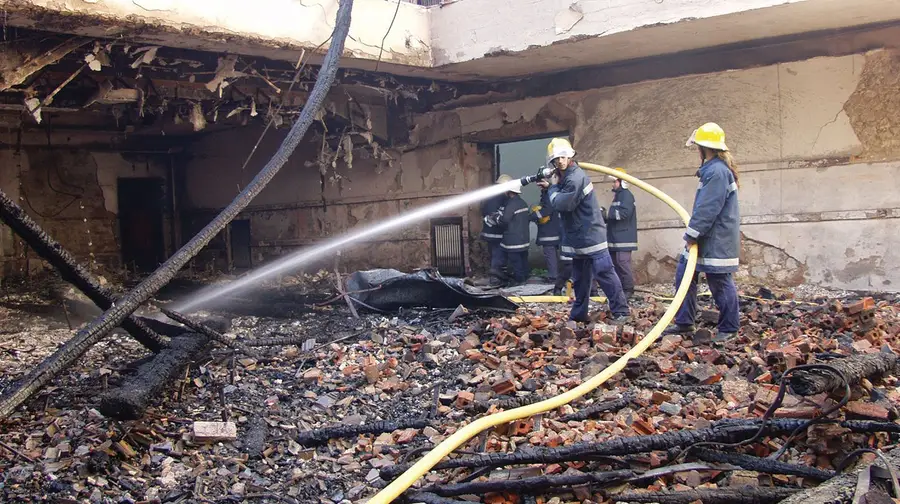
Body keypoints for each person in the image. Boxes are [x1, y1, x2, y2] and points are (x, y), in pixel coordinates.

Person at [537, 138, 630, 324]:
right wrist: (551, 187)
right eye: (557, 159)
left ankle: (622, 312)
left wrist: (552, 187)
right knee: (580, 278)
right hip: (578, 237)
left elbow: (563, 204)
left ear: (570, 155)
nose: (560, 161)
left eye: (563, 157)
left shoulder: (576, 177)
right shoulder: (565, 177)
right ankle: (579, 314)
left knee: (604, 272)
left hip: (591, 235)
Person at [665, 122, 741, 343]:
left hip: (713, 239)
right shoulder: (714, 169)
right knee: (684, 276)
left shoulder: (717, 171)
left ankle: (729, 328)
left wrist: (692, 235)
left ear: (702, 146)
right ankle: (685, 323)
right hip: (708, 238)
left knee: (720, 282)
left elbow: (708, 208)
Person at [485, 182, 531, 285]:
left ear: (509, 192)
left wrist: (495, 217)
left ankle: (519, 282)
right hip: (523, 239)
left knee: (515, 261)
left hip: (513, 240)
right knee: (523, 260)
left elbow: (505, 220)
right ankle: (524, 277)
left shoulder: (511, 204)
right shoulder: (522, 202)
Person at [606, 167, 637, 298]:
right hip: (616, 237)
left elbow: (624, 213)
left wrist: (608, 215)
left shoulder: (626, 195)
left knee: (622, 263)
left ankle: (628, 289)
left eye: (615, 182)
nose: (613, 184)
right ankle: (620, 289)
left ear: (622, 181)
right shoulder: (618, 196)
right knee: (616, 264)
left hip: (624, 237)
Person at [480, 175, 510, 286]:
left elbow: (484, 211)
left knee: (493, 254)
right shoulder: (501, 196)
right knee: (498, 256)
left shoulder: (491, 195)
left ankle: (495, 277)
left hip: (488, 232)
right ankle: (495, 280)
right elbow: (499, 216)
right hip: (496, 233)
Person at [530, 181, 561, 285]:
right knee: (552, 255)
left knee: (550, 254)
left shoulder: (549, 194)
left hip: (549, 232)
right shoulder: (550, 193)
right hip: (552, 231)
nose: (539, 186)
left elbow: (547, 210)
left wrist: (533, 215)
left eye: (541, 184)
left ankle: (553, 278)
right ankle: (554, 275)